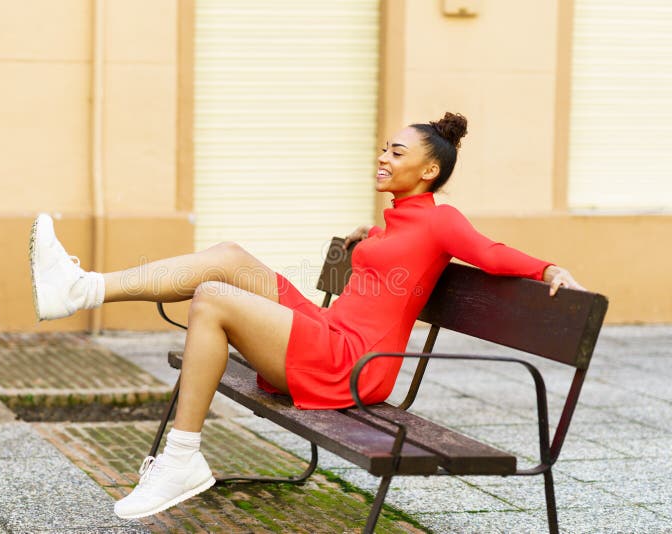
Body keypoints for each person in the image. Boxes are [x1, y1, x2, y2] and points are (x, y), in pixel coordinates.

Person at [29, 112, 584, 519]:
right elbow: (373, 281)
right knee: (228, 257)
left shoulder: (442, 220)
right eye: (384, 150)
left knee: (213, 298)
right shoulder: (395, 221)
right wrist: (360, 244)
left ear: (430, 167)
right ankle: (80, 288)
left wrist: (549, 268)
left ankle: (183, 458)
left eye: (396, 151)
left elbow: (488, 252)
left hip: (353, 364)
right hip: (331, 334)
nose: (383, 157)